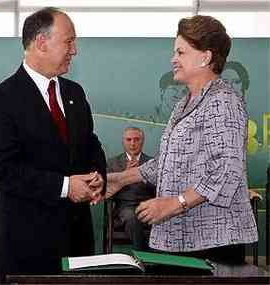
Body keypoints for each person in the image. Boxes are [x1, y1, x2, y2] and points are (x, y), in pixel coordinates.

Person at [107, 15, 258, 263]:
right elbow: (168, 162)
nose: (173, 59)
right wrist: (121, 179)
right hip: (180, 237)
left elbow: (227, 171)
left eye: (181, 52)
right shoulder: (183, 104)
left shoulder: (223, 101)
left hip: (214, 239)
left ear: (205, 57)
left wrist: (174, 204)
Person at [0, 7, 106, 283]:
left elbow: (90, 143)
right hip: (27, 245)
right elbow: (2, 172)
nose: (75, 50)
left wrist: (98, 177)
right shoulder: (0, 99)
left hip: (77, 241)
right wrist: (65, 187)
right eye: (69, 41)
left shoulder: (75, 92)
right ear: (41, 42)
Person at [106, 127, 155, 250]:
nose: (132, 143)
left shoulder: (152, 163)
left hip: (148, 205)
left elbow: (159, 189)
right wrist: (124, 176)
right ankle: (145, 255)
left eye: (136, 139)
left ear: (142, 141)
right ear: (123, 142)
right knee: (132, 217)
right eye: (129, 140)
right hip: (124, 207)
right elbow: (107, 193)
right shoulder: (113, 163)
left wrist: (143, 176)